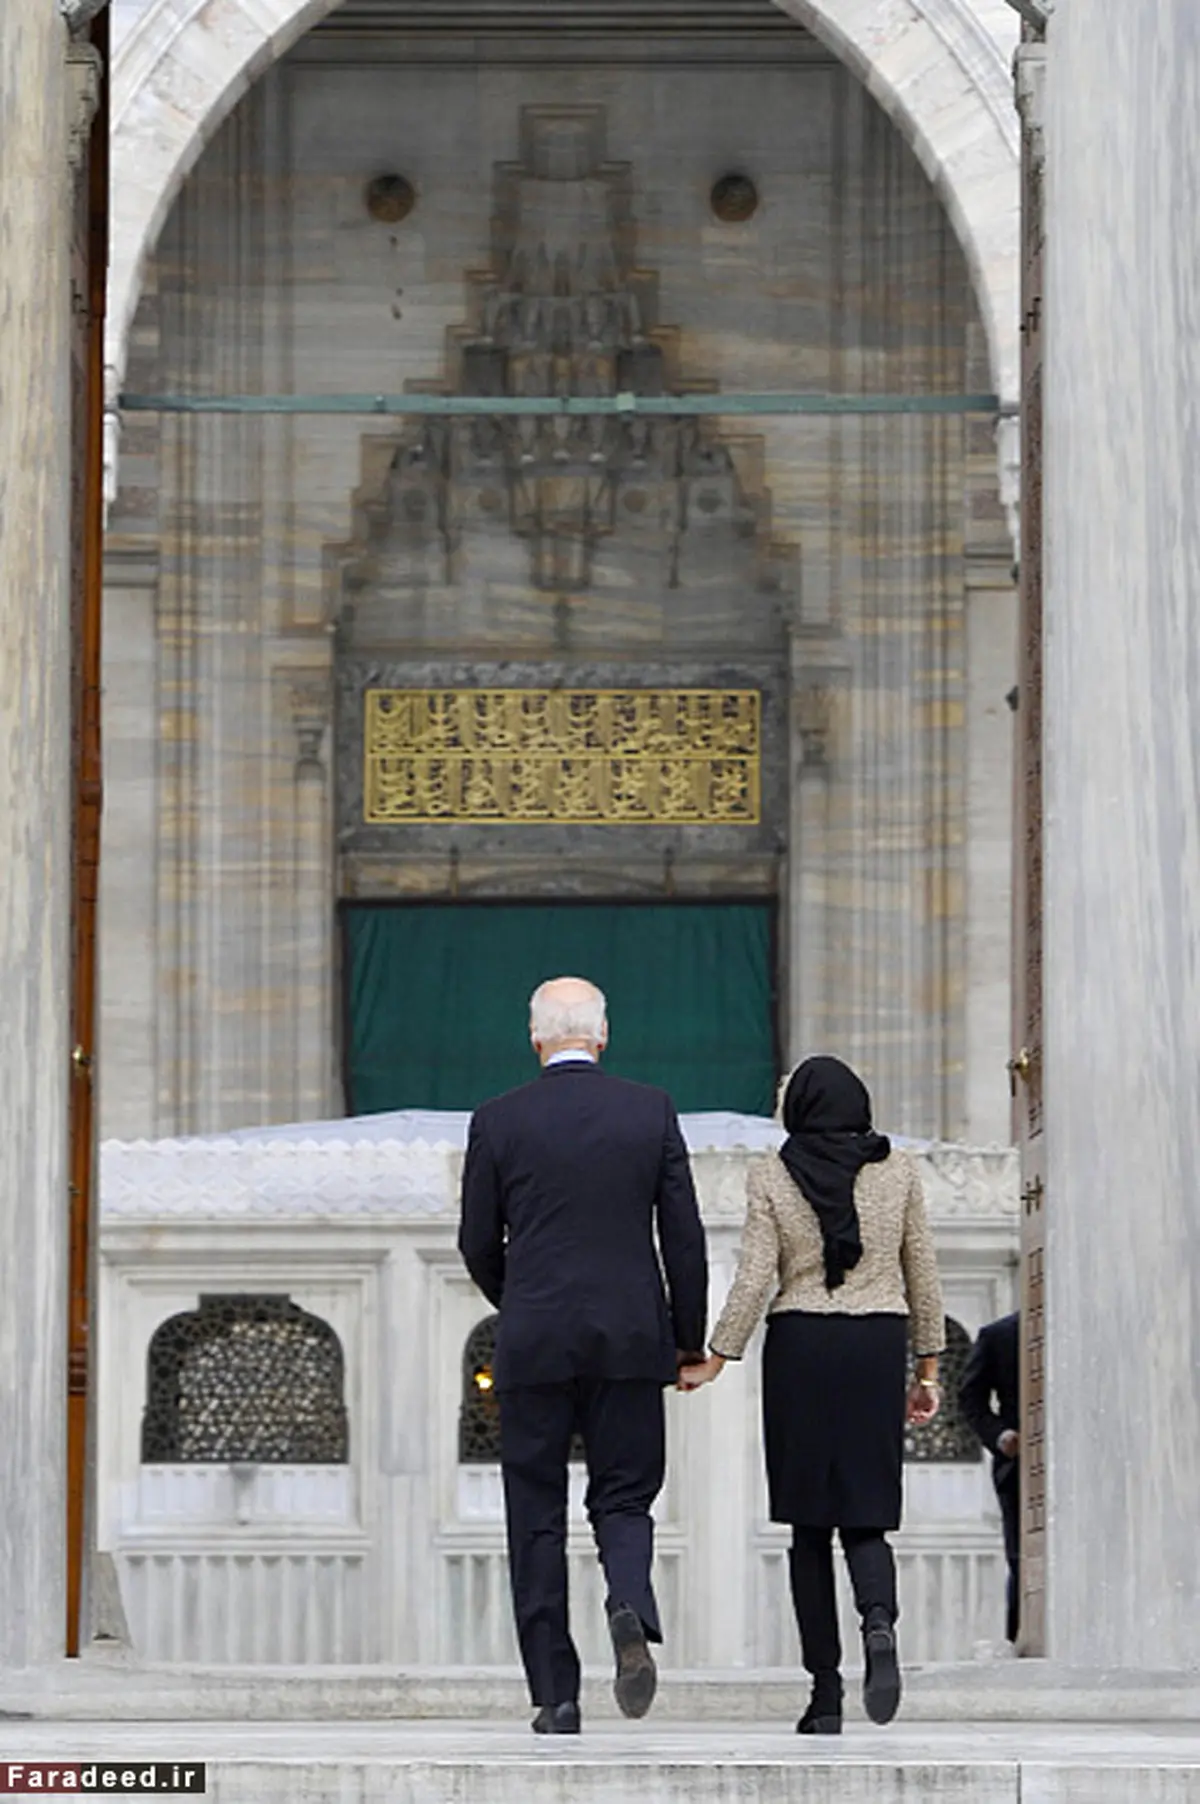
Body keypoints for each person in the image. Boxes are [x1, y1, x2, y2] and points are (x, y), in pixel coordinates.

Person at [458, 975, 708, 1736]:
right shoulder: (650, 1111)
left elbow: (475, 1242)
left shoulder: (498, 1120)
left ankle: (555, 1697)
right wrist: (686, 1341)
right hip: (631, 1338)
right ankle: (628, 1601)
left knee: (534, 1513)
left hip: (534, 1341)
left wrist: (525, 1299)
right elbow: (684, 1239)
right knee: (624, 1497)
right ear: (602, 1036)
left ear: (535, 1038)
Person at [680, 1055, 944, 1735]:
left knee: (808, 1528)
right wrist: (928, 1370)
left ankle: (824, 1695)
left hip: (802, 1347)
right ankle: (879, 1623)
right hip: (875, 1346)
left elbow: (755, 1274)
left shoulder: (773, 1171)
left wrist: (717, 1355)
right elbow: (923, 1270)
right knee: (866, 1516)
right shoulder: (901, 1170)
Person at [959, 1310, 1020, 1644]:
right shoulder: (1000, 1335)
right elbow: (971, 1398)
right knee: (1023, 1559)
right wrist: (1000, 1436)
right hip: (1020, 1466)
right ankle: (1023, 1644)